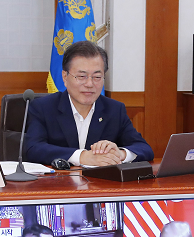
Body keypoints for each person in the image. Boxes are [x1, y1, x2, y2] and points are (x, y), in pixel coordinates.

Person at [25, 41, 154, 167]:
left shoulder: (114, 109)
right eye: (82, 76)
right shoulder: (43, 107)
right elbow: (32, 148)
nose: (89, 84)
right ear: (65, 77)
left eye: (97, 77)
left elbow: (144, 148)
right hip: (58, 184)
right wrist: (82, 156)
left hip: (99, 185)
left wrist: (119, 154)